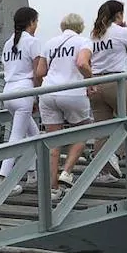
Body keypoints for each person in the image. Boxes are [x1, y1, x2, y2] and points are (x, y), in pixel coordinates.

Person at [34, 13, 95, 192]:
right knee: (83, 130)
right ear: (80, 27)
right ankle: (66, 172)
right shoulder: (83, 42)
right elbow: (82, 64)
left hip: (48, 93)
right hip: (73, 93)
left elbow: (39, 72)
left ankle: (52, 189)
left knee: (53, 142)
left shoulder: (49, 43)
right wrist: (92, 82)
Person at [88, 0, 127, 177]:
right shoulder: (121, 32)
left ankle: (104, 171)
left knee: (102, 130)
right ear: (119, 15)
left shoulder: (94, 35)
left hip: (95, 83)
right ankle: (114, 153)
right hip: (117, 83)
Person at [0, 6, 43, 194]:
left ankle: (33, 173)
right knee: (16, 138)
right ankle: (4, 180)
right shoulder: (32, 42)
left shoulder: (9, 43)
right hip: (24, 92)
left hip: (8, 93)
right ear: (32, 22)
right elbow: (37, 72)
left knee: (33, 135)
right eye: (36, 22)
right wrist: (37, 97)